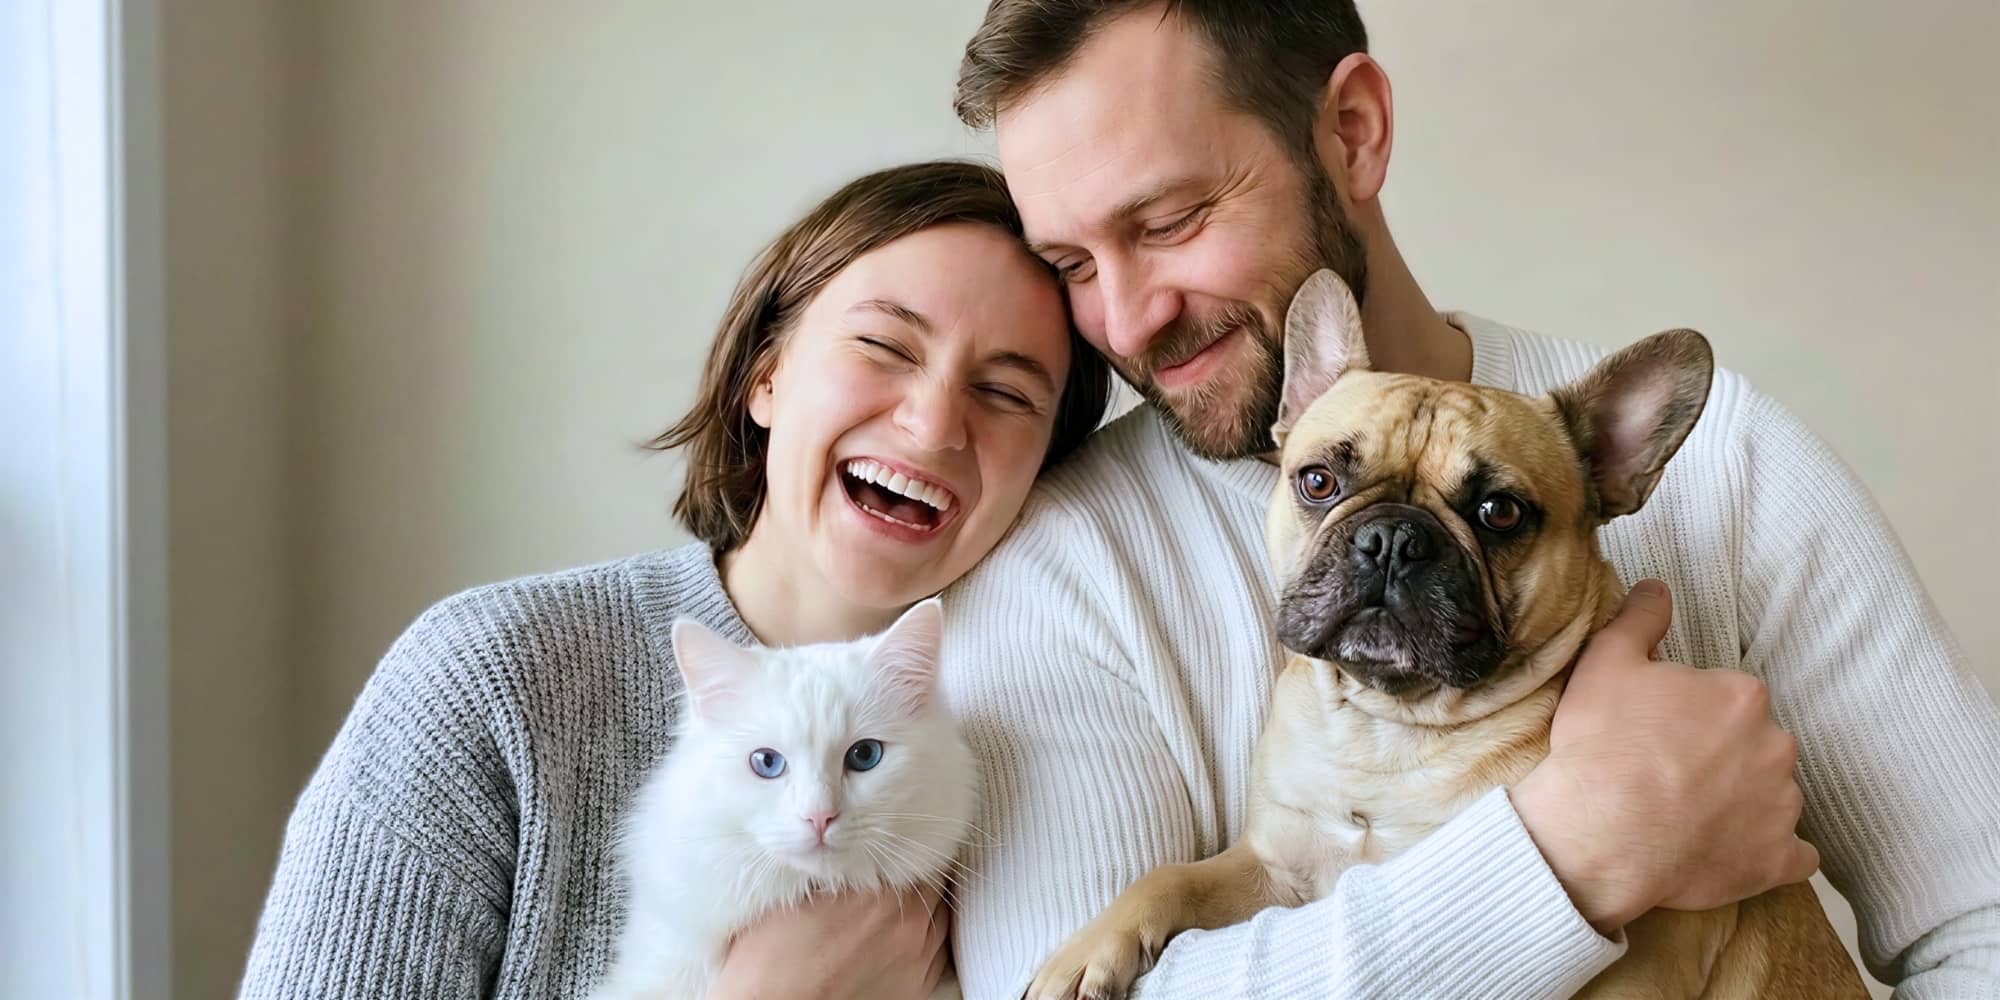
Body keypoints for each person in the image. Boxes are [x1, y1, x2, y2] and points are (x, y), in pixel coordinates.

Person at [937, 3, 2000, 998]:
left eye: (1168, 220)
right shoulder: (1049, 563)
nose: (1123, 320)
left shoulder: (1735, 464)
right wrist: (1568, 856)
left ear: (1351, 133)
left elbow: (1982, 922)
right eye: (1068, 262)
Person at [237, 160, 1111, 1000]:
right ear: (765, 376)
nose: (931, 426)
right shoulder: (488, 680)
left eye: (1006, 393)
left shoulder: (1073, 737)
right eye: (885, 346)